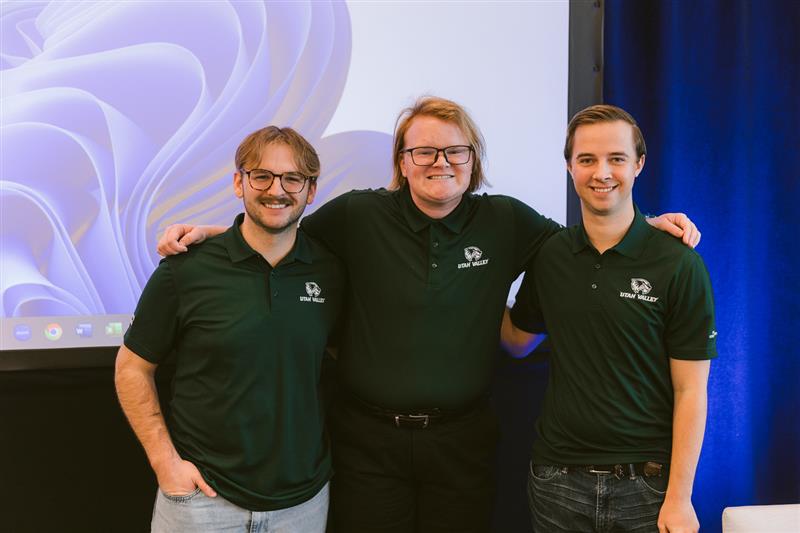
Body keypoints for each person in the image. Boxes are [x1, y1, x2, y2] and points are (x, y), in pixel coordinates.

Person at [157, 96, 700, 533]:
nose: (440, 162)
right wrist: (212, 232)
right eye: (424, 152)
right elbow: (278, 230)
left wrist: (649, 227)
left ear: (473, 160)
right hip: (367, 440)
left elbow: (587, 241)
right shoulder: (358, 214)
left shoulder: (505, 220)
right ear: (402, 161)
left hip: (462, 441)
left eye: (455, 151)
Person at [115, 126, 344, 532]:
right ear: (239, 182)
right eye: (262, 175)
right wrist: (165, 463)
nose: (277, 189)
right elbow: (132, 367)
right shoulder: (186, 269)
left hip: (303, 505)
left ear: (310, 191)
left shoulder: (331, 271)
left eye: (293, 178)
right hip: (201, 501)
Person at [502, 104, 715, 533]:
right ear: (569, 167)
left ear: (639, 164)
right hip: (556, 482)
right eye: (587, 160)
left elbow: (690, 390)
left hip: (648, 486)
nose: (602, 173)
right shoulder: (552, 256)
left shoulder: (677, 262)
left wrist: (680, 497)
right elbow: (517, 341)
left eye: (616, 159)